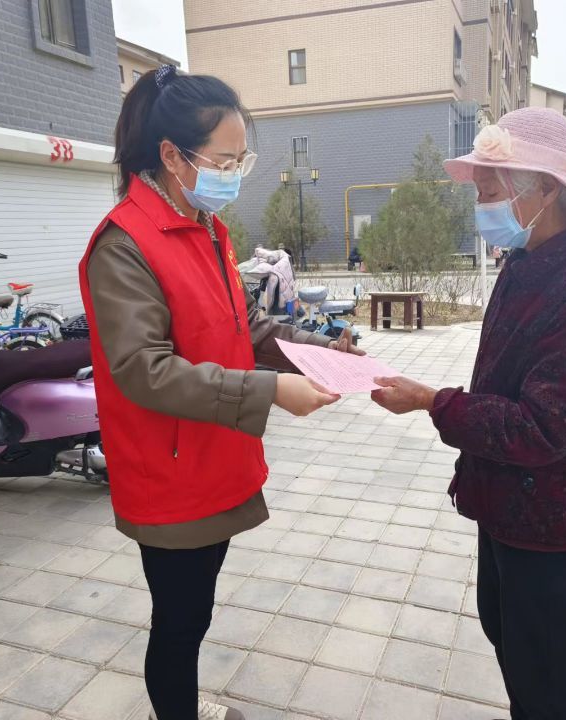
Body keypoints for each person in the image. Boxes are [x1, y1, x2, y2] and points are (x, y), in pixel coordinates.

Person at [79, 65, 361, 720]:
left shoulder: (204, 228)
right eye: (224, 161)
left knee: (195, 612)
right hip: (170, 473)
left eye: (241, 161)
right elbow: (143, 369)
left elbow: (246, 326)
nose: (233, 174)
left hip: (213, 458)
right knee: (178, 624)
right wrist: (271, 391)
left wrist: (318, 351)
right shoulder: (124, 245)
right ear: (172, 156)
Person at [371, 107, 566, 720]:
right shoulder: (529, 261)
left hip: (548, 512)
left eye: (490, 192)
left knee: (544, 672)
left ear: (545, 190)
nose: (481, 207)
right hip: (506, 497)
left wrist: (432, 400)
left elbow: (542, 428)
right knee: (505, 628)